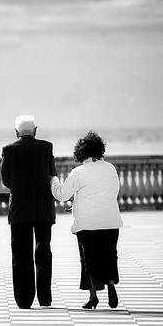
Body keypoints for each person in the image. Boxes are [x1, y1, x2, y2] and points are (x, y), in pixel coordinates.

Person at [50, 131, 123, 309]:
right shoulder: (110, 168)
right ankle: (111, 286)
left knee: (88, 259)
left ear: (81, 152)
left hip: (87, 224)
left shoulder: (79, 172)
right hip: (110, 221)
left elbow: (61, 194)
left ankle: (93, 297)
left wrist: (53, 179)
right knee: (109, 256)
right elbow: (113, 191)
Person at [1, 115, 58, 309]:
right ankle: (45, 298)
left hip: (19, 210)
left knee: (21, 254)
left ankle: (24, 300)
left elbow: (6, 181)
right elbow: (53, 174)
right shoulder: (46, 147)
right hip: (43, 208)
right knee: (43, 251)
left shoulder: (8, 150)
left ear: (16, 132)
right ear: (36, 130)